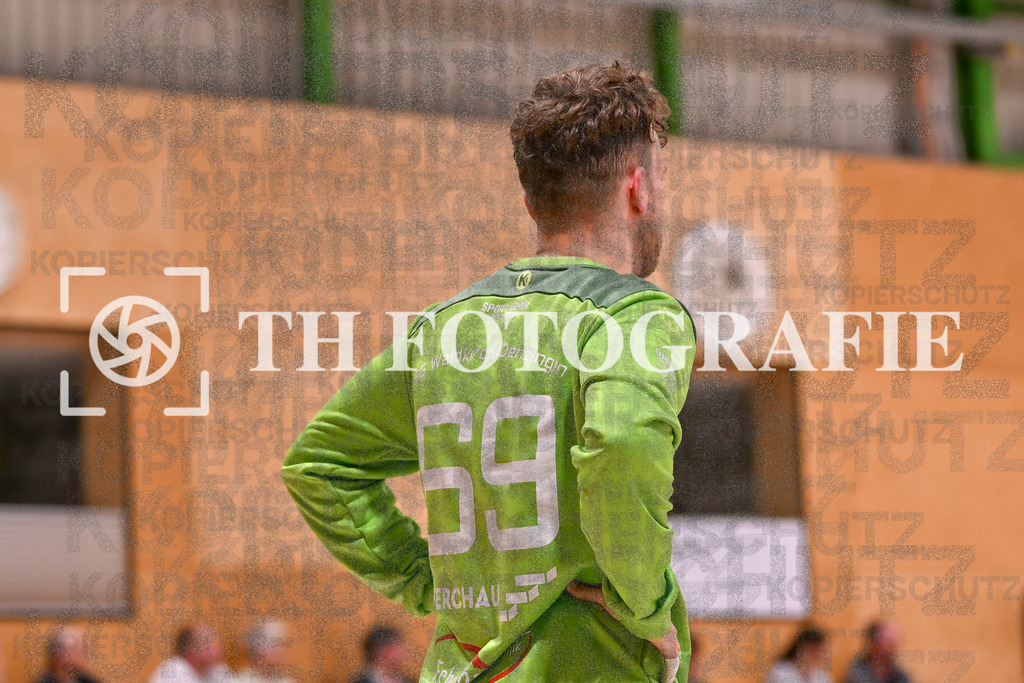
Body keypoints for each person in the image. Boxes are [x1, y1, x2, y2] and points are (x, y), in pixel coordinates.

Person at [282, 61, 695, 682]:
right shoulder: (634, 317)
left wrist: (429, 584)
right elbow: (623, 440)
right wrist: (648, 607)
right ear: (638, 188)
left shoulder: (442, 330)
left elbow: (320, 466)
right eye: (660, 183)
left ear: (531, 201)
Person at [148, 623, 231, 683]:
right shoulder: (171, 672)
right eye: (206, 643)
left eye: (213, 641)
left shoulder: (219, 671)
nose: (214, 648)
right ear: (188, 648)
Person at [845, 621, 911, 683]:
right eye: (888, 642)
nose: (893, 649)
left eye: (893, 643)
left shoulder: (898, 673)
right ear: (872, 643)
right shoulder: (857, 672)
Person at [351, 626, 415, 683]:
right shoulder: (362, 681)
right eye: (396, 646)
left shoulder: (408, 680)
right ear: (380, 651)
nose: (401, 650)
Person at [35, 627, 100, 683]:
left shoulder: (89, 681)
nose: (83, 657)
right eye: (77, 653)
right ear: (59, 654)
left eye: (83, 652)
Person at [765, 627, 831, 683]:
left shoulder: (822, 676)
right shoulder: (781, 671)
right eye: (812, 649)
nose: (819, 654)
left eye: (820, 650)